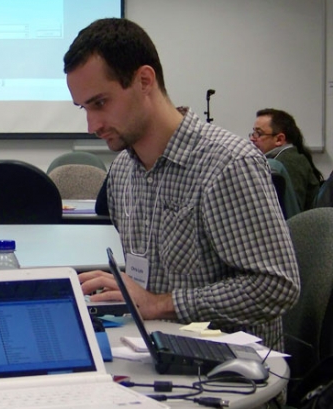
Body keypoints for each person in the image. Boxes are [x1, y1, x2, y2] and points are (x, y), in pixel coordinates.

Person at [63, 18, 300, 349]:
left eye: (100, 103)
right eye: (83, 108)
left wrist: (159, 303)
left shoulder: (228, 164)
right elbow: (146, 280)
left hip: (231, 372)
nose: (91, 125)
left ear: (145, 80)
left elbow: (276, 286)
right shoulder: (121, 173)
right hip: (152, 352)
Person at [250, 108, 323, 211]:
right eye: (253, 133)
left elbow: (292, 213)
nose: (252, 138)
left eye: (259, 133)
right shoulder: (282, 157)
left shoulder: (290, 162)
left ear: (279, 139)